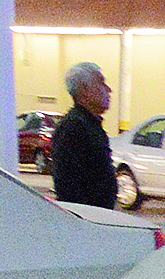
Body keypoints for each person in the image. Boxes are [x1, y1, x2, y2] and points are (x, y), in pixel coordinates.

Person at [50, 62, 117, 209]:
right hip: (87, 218)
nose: (109, 90)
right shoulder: (73, 128)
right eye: (101, 83)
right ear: (85, 90)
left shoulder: (90, 125)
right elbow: (69, 184)